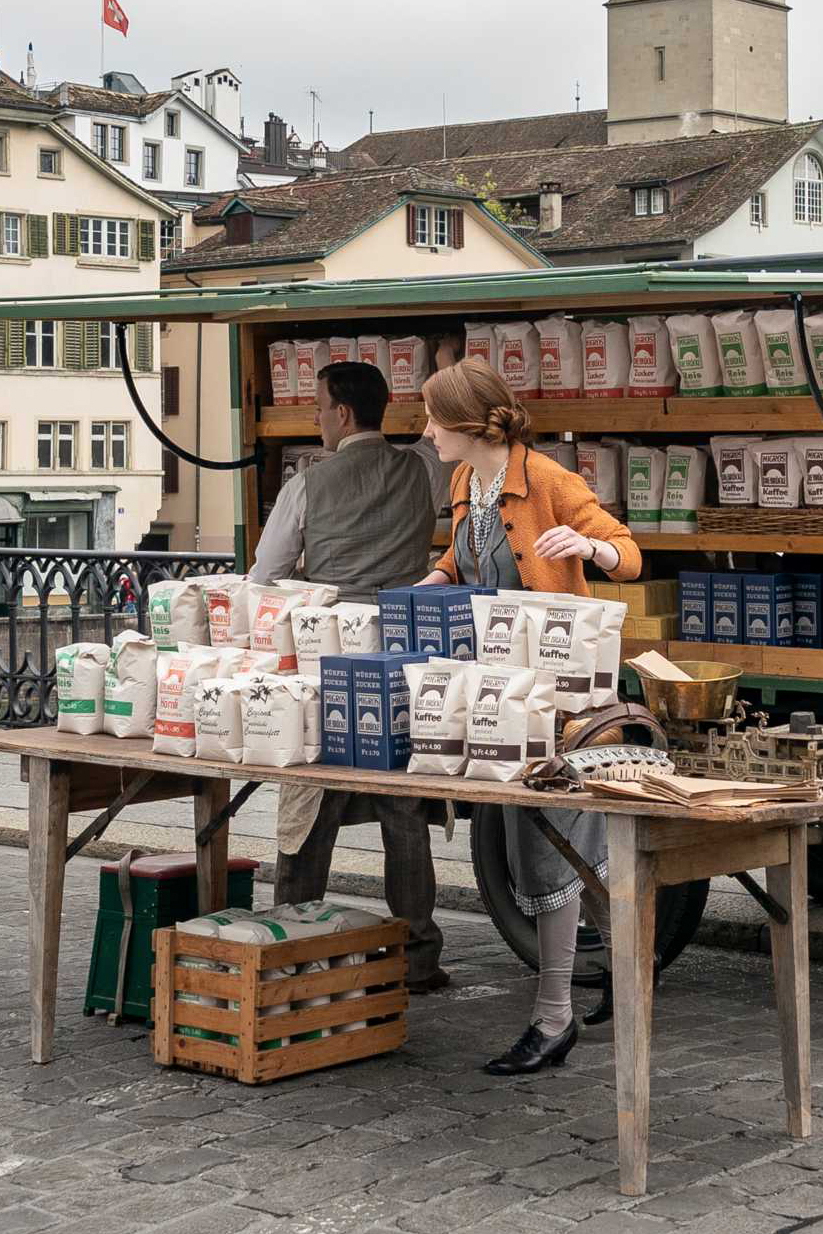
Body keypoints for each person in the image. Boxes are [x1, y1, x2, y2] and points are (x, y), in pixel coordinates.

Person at [417, 360, 639, 1074]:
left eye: (432, 419)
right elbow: (463, 559)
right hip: (501, 697)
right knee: (548, 848)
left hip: (564, 702)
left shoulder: (548, 481)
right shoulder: (463, 483)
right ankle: (624, 986)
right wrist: (434, 580)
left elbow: (629, 554)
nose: (424, 432)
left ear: (467, 425)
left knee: (554, 847)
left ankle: (552, 1019)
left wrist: (589, 546)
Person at [260, 359, 452, 989]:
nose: (316, 419)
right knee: (402, 807)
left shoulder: (308, 485)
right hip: (403, 652)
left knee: (309, 798)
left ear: (342, 413)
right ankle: (419, 953)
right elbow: (436, 437)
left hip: (325, 656)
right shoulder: (423, 467)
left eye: (318, 407)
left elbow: (267, 575)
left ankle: (293, 940)